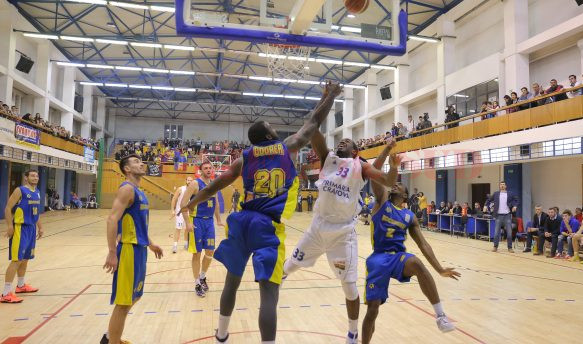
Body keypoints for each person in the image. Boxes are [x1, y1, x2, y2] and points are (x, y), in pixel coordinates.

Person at [183, 81, 341, 344]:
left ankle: (221, 334)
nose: (276, 130)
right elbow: (313, 122)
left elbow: (214, 186)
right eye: (272, 128)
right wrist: (331, 96)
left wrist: (192, 203)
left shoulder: (243, 159)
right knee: (269, 293)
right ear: (268, 136)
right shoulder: (287, 147)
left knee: (232, 282)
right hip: (267, 226)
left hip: (242, 222)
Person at [283, 136, 399, 344]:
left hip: (342, 235)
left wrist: (394, 164)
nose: (342, 142)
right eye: (341, 141)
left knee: (349, 287)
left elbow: (388, 181)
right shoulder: (328, 158)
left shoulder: (360, 167)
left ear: (355, 152)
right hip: (317, 228)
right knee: (289, 267)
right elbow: (315, 129)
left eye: (348, 142)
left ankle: (353, 332)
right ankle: (274, 283)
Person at [362, 177, 460, 344]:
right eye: (395, 181)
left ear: (405, 195)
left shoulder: (410, 216)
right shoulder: (382, 202)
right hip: (378, 257)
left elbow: (423, 244)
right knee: (373, 310)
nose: (396, 183)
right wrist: (386, 160)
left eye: (399, 184)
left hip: (397, 257)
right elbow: (377, 178)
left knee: (416, 262)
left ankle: (441, 316)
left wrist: (439, 269)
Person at [101, 154, 163, 344]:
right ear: (126, 169)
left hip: (140, 248)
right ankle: (112, 340)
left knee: (134, 297)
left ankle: (111, 337)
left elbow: (136, 223)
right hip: (128, 250)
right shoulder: (127, 189)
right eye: (136, 162)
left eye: (141, 161)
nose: (141, 163)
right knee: (123, 303)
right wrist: (112, 252)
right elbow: (112, 219)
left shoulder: (139, 191)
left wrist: (150, 243)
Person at [180, 162, 223, 297]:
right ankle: (197, 283)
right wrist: (187, 222)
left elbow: (215, 203)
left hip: (209, 222)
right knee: (197, 253)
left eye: (210, 168)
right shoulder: (195, 184)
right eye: (206, 168)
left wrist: (219, 220)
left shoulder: (214, 184)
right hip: (196, 221)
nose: (209, 170)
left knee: (210, 251)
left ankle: (203, 276)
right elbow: (183, 203)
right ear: (200, 171)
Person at [1, 170, 42, 304]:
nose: (35, 178)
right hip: (20, 228)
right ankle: (6, 293)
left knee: (25, 259)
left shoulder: (37, 192)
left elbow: (36, 211)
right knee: (16, 260)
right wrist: (10, 226)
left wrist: (40, 226)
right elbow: (7, 208)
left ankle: (21, 285)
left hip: (31, 228)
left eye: (36, 176)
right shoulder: (20, 190)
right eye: (32, 175)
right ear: (26, 178)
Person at [485, 181, 519, 253]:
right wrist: (485, 205)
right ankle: (495, 247)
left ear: (505, 186)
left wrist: (515, 206)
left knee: (509, 233)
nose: (502, 186)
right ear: (499, 186)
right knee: (496, 233)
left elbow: (516, 200)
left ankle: (510, 247)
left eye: (503, 185)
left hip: (507, 215)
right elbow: (489, 200)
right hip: (498, 215)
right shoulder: (496, 194)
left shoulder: (510, 193)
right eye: (501, 185)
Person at [170, 177, 193, 253]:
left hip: (188, 211)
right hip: (180, 212)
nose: (189, 181)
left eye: (191, 180)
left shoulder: (193, 190)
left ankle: (186, 244)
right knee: (178, 228)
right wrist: (172, 210)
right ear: (186, 181)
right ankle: (175, 245)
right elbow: (174, 199)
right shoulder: (180, 189)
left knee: (187, 228)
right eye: (188, 180)